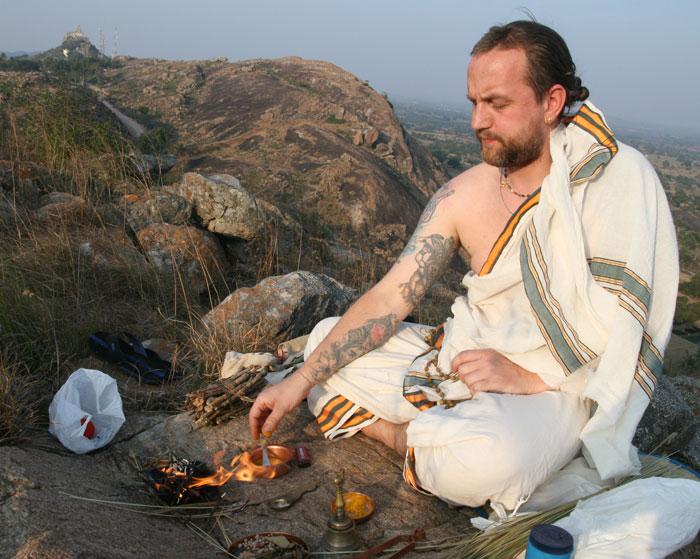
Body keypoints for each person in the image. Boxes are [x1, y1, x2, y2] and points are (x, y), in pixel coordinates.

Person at [249, 20, 678, 510]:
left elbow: (626, 321)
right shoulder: (465, 193)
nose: (478, 121)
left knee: (490, 460)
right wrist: (299, 382)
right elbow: (393, 297)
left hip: (554, 389)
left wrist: (532, 377)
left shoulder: (614, 181)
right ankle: (428, 433)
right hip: (455, 361)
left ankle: (394, 434)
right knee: (326, 338)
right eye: (474, 103)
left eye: (497, 104)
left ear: (551, 101)